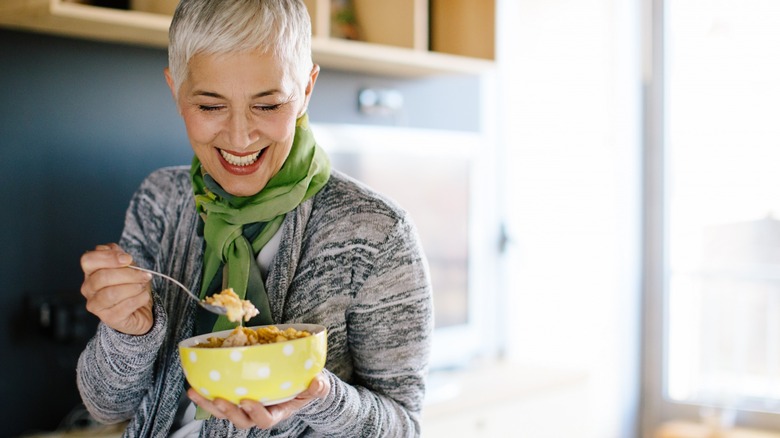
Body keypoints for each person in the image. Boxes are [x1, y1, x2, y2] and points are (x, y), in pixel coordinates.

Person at [76, 0, 434, 436]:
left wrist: (318, 396)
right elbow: (105, 406)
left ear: (305, 89)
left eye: (267, 106)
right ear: (175, 90)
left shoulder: (377, 233)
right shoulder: (160, 201)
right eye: (210, 107)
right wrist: (128, 333)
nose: (241, 137)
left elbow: (404, 428)